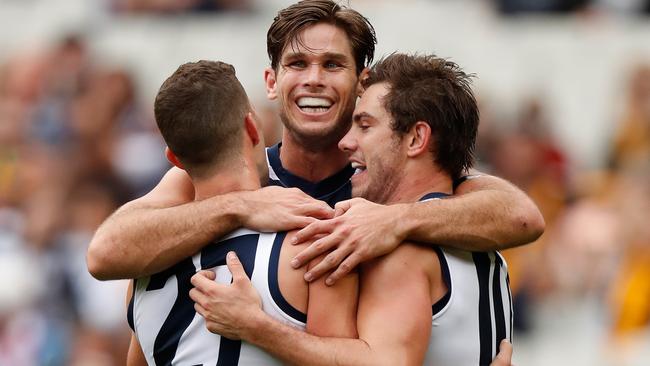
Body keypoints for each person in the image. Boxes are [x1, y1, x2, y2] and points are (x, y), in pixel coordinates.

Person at [88, 0, 542, 295]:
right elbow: (106, 253)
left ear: (362, 81)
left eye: (333, 64)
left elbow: (520, 216)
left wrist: (397, 220)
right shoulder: (228, 176)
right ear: (271, 81)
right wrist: (238, 207)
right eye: (297, 64)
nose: (314, 80)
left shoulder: (391, 179)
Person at [190, 53, 513, 365]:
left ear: (416, 138)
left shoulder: (402, 247)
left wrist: (254, 326)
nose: (346, 143)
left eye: (365, 126)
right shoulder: (482, 243)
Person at [126, 60, 358, 365]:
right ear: (251, 127)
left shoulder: (144, 269)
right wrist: (259, 328)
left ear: (174, 159)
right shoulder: (315, 240)